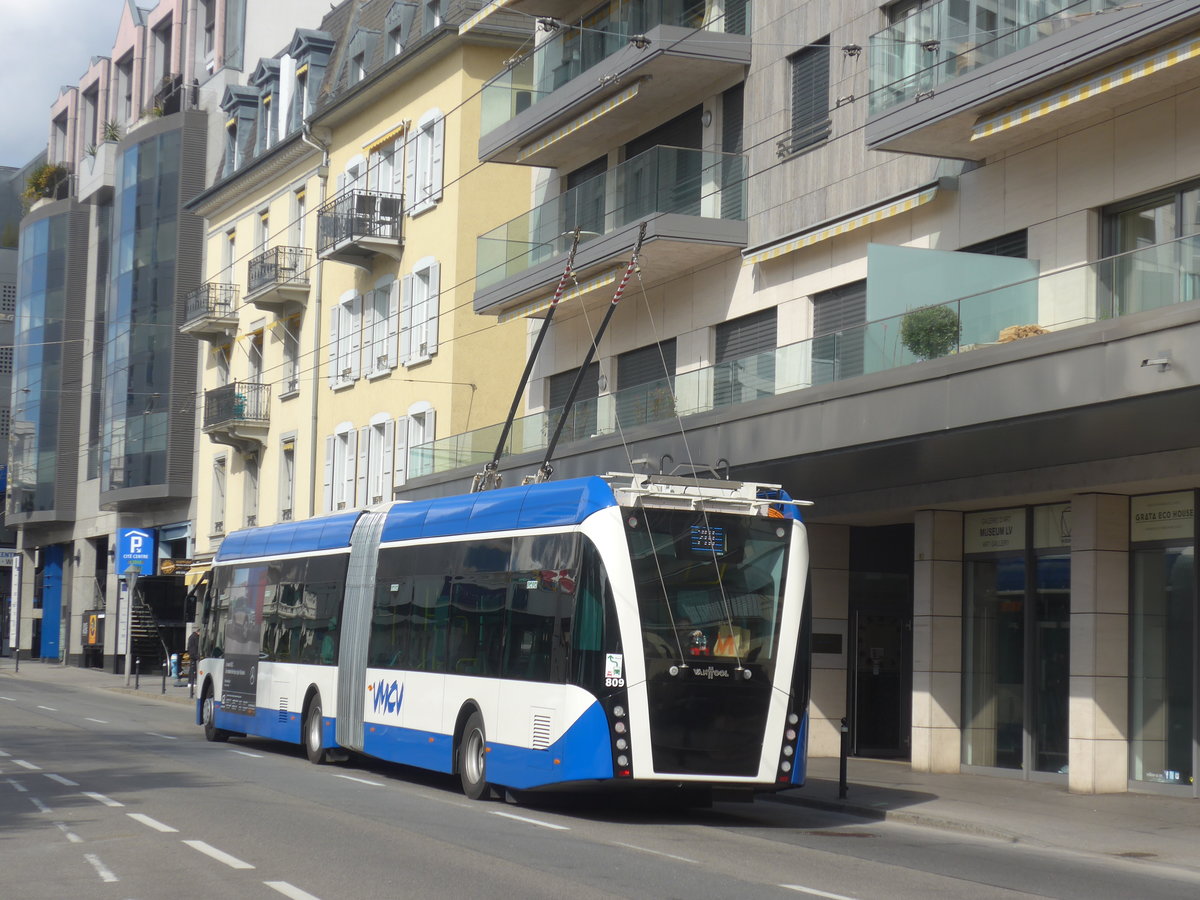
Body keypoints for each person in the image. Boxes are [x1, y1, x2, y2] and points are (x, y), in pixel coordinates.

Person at [186, 626, 199, 697]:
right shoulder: (194, 637)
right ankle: (191, 682)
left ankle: (191, 682)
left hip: (192, 654)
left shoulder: (192, 637)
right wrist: (196, 656)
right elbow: (194, 647)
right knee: (193, 668)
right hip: (193, 654)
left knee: (193, 668)